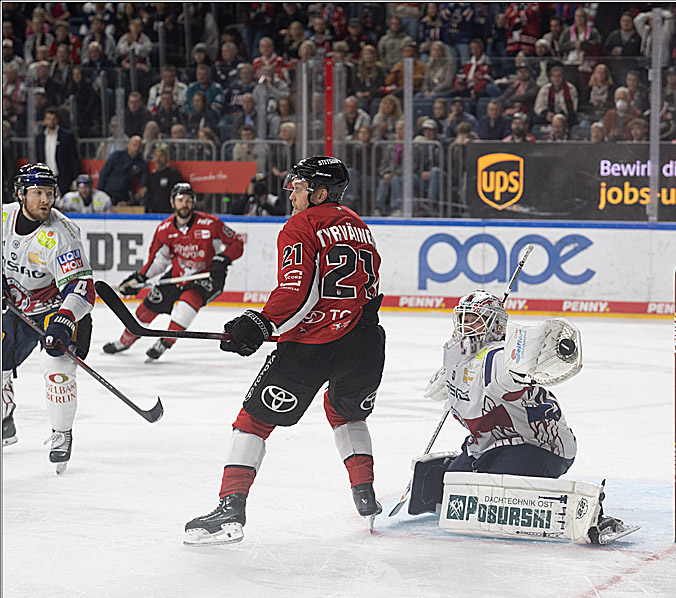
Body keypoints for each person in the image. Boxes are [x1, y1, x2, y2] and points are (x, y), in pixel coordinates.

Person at [183, 157, 385, 545]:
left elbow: (298, 292)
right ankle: (366, 496)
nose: (292, 194)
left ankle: (230, 508)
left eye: (299, 187)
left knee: (253, 421)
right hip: (365, 343)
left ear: (320, 194)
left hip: (313, 346)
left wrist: (260, 323)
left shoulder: (301, 225)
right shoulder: (360, 226)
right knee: (346, 414)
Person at [413, 291, 576, 513]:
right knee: (451, 489)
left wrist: (533, 358)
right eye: (462, 319)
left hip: (539, 446)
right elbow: (437, 391)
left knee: (492, 497)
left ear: (497, 325)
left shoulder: (499, 356)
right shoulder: (458, 354)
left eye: (475, 320)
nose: (466, 326)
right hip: (493, 441)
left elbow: (516, 370)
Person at [2, 164, 95, 472]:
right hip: (14, 307)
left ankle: (62, 433)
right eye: (37, 193)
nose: (45, 200)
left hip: (54, 310)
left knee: (57, 366)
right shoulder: (3, 218)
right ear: (20, 194)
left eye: (49, 193)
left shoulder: (62, 234)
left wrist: (65, 319)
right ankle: (4, 420)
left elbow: (82, 288)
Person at [103, 183, 244, 361]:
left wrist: (222, 259)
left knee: (188, 303)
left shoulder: (210, 224)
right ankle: (125, 341)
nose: (184, 204)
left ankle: (165, 342)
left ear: (194, 203)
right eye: (180, 200)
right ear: (172, 203)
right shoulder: (164, 230)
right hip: (177, 276)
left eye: (188, 200)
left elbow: (237, 242)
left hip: (208, 276)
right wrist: (140, 277)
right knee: (148, 307)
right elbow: (159, 260)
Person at [33, 106, 80, 194]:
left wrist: (75, 179)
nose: (51, 121)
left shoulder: (66, 136)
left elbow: (74, 158)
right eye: (48, 118)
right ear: (45, 120)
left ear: (57, 120)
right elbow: (39, 158)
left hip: (64, 177)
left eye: (54, 119)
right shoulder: (39, 138)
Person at [97, 135, 148, 206]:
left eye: (139, 146)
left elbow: (144, 184)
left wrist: (131, 201)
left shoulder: (142, 164)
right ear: (129, 145)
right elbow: (103, 173)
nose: (136, 148)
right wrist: (99, 193)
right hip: (108, 192)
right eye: (134, 145)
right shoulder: (116, 156)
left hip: (124, 195)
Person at [142, 145, 184, 213]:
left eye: (161, 156)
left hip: (170, 211)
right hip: (154, 212)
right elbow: (147, 193)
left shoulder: (174, 173)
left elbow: (179, 192)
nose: (158, 159)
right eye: (156, 156)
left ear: (167, 157)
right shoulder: (152, 176)